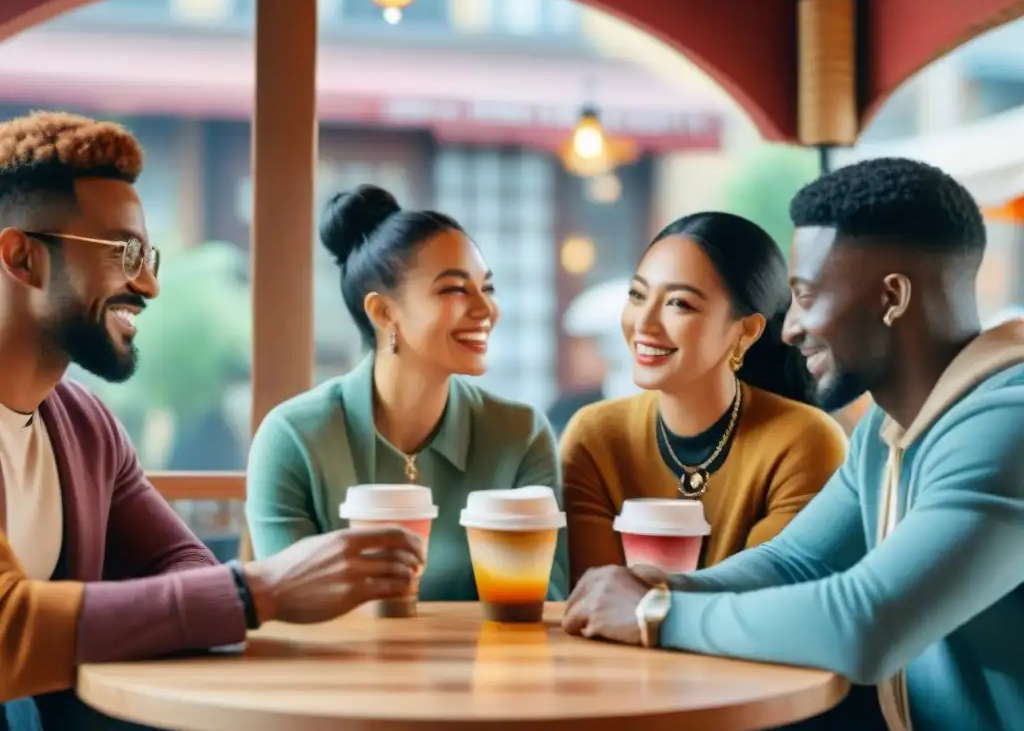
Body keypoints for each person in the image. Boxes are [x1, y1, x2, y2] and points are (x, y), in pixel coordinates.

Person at [563, 158, 1024, 731]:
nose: (790, 328)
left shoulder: (1008, 425)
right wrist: (668, 584)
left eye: (806, 297)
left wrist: (658, 613)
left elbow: (865, 625)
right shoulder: (890, 432)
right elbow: (798, 560)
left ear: (893, 298)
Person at [0, 112, 425, 729]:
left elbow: (183, 565)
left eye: (148, 256)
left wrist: (234, 595)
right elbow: (10, 633)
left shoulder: (86, 427)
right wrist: (259, 590)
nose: (148, 285)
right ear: (22, 257)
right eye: (124, 252)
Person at [245, 184, 567, 601]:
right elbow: (288, 605)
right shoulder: (293, 438)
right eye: (454, 289)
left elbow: (546, 604)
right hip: (339, 667)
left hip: (486, 667)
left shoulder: (521, 435)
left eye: (486, 288)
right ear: (383, 312)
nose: (486, 309)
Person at [561, 212, 847, 585]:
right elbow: (596, 598)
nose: (643, 324)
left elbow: (768, 598)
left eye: (679, 303)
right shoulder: (595, 436)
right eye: (637, 295)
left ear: (745, 331)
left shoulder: (805, 442)